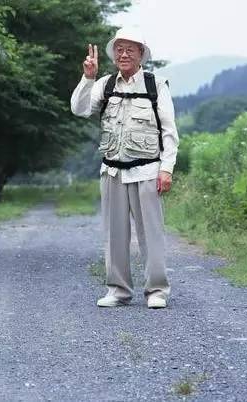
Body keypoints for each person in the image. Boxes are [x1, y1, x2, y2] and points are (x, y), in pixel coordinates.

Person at [70, 27, 179, 309]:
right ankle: (118, 290)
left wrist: (166, 169)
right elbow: (79, 110)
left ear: (141, 53)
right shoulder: (104, 84)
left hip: (147, 172)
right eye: (119, 48)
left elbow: (169, 132)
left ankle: (156, 291)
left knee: (151, 234)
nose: (124, 54)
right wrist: (87, 77)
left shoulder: (157, 85)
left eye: (131, 49)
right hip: (112, 173)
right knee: (114, 234)